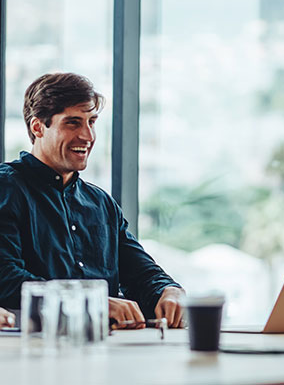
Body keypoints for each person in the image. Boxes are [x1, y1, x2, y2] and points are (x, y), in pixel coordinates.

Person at [0, 73, 185, 328]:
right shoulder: (6, 187)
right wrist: (91, 302)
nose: (87, 136)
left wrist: (169, 290)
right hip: (30, 351)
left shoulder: (101, 203)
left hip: (107, 350)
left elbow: (140, 272)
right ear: (37, 127)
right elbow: (6, 279)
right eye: (73, 123)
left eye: (92, 122)